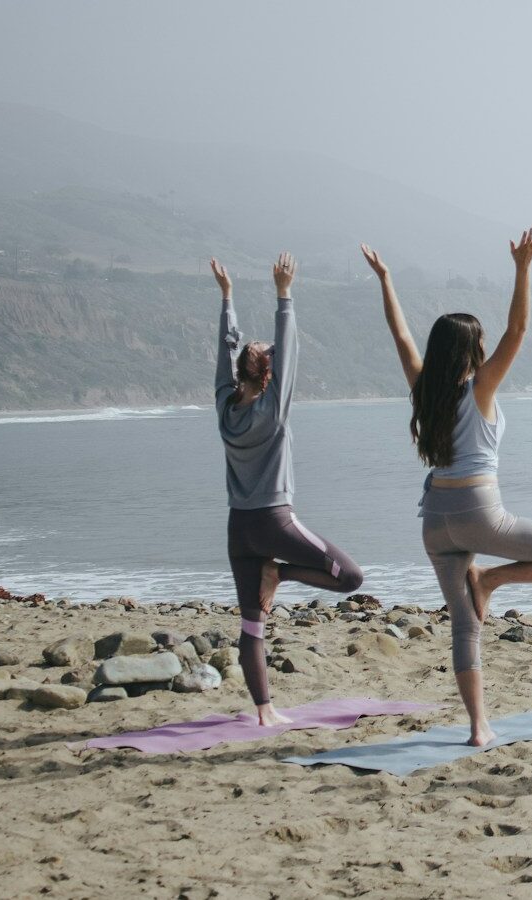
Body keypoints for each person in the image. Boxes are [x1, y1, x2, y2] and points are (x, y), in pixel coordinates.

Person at [361, 231, 532, 747]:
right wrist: (523, 267)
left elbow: (401, 338)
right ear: (473, 349)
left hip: (433, 523)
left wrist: (386, 280)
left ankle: (478, 727)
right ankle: (490, 579)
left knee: (464, 628)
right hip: (478, 513)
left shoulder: (424, 390)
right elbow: (519, 328)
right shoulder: (480, 388)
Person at [212, 254, 364, 726]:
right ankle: (281, 575)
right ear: (268, 375)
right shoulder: (274, 409)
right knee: (350, 578)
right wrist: (284, 294)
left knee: (251, 624)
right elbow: (289, 346)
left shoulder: (224, 405)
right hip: (275, 523)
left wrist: (228, 299)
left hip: (239, 529)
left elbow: (225, 350)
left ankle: (264, 711)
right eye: (268, 357)